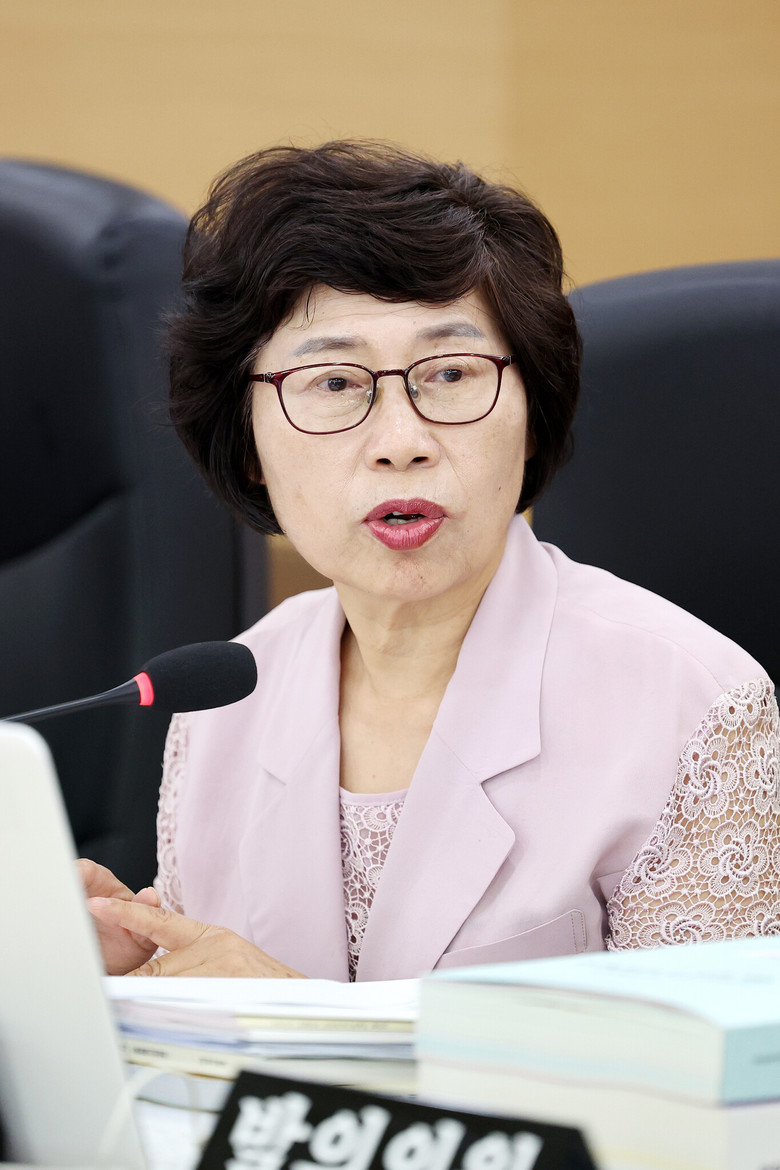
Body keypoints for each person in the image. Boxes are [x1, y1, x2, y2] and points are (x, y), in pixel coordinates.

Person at [82, 141, 780, 981]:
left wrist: (311, 1026)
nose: (401, 441)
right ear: (248, 443)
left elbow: (707, 1063)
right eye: (333, 383)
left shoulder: (694, 706)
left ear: (532, 416)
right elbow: (225, 1015)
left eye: (450, 373)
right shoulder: (224, 701)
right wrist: (133, 971)